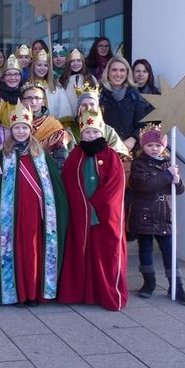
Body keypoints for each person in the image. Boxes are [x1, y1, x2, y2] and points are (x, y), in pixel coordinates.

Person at [0, 100, 68, 306]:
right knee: (14, 250)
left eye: (25, 128)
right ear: (11, 130)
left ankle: (33, 292)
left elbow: (55, 188)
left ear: (31, 130)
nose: (21, 132)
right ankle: (14, 291)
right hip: (12, 217)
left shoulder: (42, 157)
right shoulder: (2, 156)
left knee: (33, 251)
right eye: (17, 128)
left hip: (36, 216)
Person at [58, 107, 128, 311]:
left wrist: (95, 204)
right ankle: (82, 292)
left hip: (105, 216)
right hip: (81, 214)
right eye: (87, 132)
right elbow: (69, 183)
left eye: (95, 132)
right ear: (81, 133)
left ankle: (107, 293)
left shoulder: (111, 155)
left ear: (102, 132)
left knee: (106, 253)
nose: (91, 135)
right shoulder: (75, 155)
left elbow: (115, 186)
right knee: (82, 251)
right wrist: (82, 205)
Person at [129, 124, 185, 305]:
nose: (154, 149)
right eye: (150, 145)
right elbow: (145, 185)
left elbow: (178, 191)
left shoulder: (168, 163)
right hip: (145, 215)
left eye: (158, 145)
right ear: (143, 146)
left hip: (164, 216)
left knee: (169, 251)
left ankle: (176, 286)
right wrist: (167, 175)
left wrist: (177, 180)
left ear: (163, 146)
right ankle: (149, 283)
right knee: (146, 250)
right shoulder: (139, 164)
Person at [99, 56, 146, 153]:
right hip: (104, 149)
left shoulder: (134, 94)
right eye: (114, 70)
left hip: (129, 150)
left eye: (122, 70)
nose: (118, 74)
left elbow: (142, 124)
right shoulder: (98, 94)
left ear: (127, 73)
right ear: (108, 72)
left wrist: (133, 139)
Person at [21, 82, 71, 168]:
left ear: (43, 101)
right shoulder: (16, 124)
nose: (33, 102)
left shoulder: (54, 126)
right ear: (22, 101)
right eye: (29, 98)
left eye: (37, 98)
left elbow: (61, 159)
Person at [28, 50, 75, 128]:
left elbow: (64, 110)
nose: (42, 68)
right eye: (39, 65)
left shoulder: (56, 87)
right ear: (33, 66)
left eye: (45, 65)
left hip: (53, 129)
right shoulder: (27, 86)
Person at [59, 49, 98, 115]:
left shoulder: (91, 78)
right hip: (68, 117)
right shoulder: (63, 79)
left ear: (83, 62)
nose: (75, 64)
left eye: (78, 61)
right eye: (72, 61)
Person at [0, 55, 23, 126]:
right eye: (8, 74)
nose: (12, 77)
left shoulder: (26, 95)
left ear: (21, 77)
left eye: (16, 74)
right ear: (3, 77)